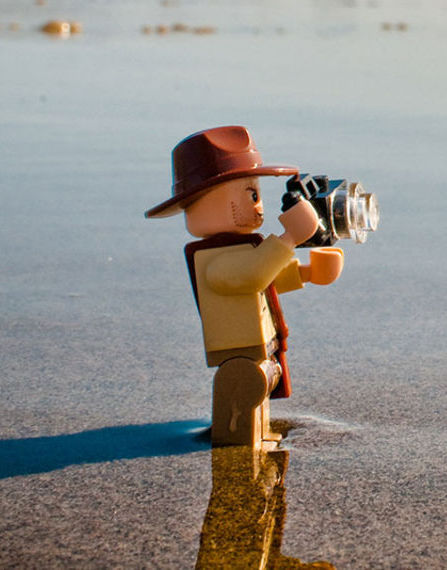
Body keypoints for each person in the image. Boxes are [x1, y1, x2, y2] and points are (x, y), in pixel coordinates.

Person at [145, 126, 344, 448]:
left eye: (258, 194)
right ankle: (235, 443)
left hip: (261, 348)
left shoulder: (245, 251)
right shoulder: (213, 260)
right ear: (207, 200)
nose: (259, 206)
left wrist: (308, 272)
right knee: (242, 392)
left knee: (257, 393)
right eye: (250, 195)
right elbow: (249, 276)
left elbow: (266, 278)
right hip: (238, 352)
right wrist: (289, 238)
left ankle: (260, 437)